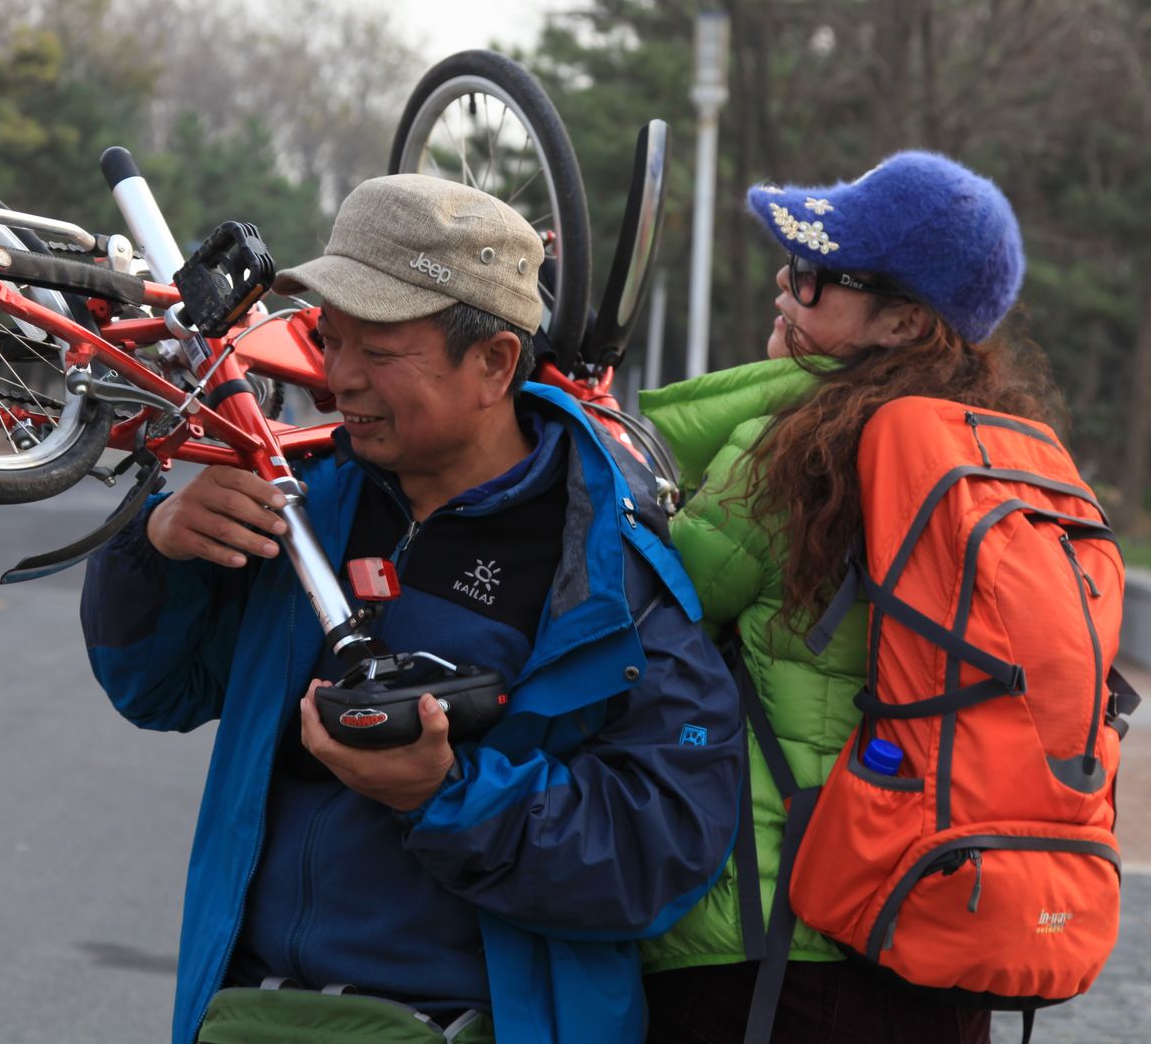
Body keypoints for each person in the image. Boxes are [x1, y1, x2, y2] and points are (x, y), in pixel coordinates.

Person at [80, 173, 745, 1044]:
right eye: (330, 337)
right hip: (248, 1013)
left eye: (380, 351)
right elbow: (155, 690)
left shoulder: (607, 565)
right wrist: (159, 546)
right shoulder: (305, 500)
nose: (337, 377)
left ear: (495, 363)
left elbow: (660, 850)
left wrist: (446, 794)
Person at [637, 151, 1059, 1044]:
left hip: (778, 936)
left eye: (820, 276)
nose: (789, 288)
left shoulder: (795, 452)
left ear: (903, 320)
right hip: (939, 917)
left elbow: (654, 595)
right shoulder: (998, 454)